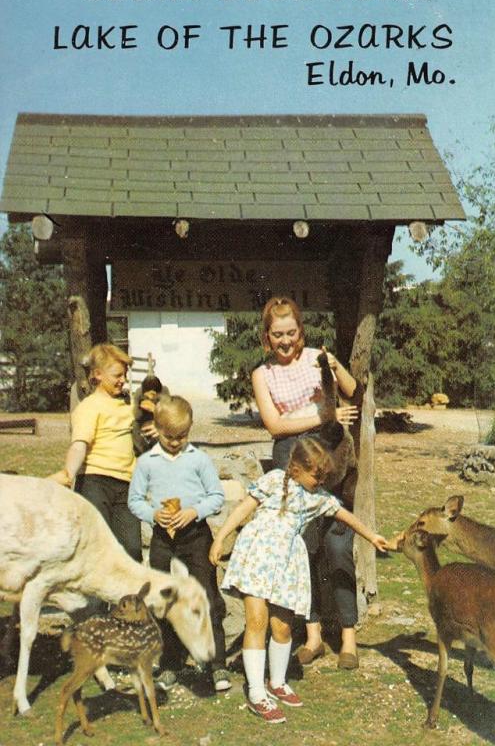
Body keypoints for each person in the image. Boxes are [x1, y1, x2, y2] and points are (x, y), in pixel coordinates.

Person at [209, 437, 387, 724]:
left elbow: (345, 516)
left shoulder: (317, 498)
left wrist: (371, 536)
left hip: (287, 566)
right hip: (257, 557)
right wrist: (221, 536)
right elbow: (244, 507)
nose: (320, 482)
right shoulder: (273, 479)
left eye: (323, 477)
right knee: (256, 621)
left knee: (282, 627)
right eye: (316, 476)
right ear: (296, 468)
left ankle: (276, 682)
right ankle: (256, 692)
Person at [251, 297, 361, 669]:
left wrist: (334, 366)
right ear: (267, 336)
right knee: (304, 545)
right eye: (277, 335)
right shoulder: (262, 373)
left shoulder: (317, 357)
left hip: (329, 458)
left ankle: (348, 636)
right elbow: (275, 425)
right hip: (292, 461)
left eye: (291, 333)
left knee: (337, 542)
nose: (285, 341)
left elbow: (351, 389)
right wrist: (320, 413)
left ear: (301, 331)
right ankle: (313, 635)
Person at [128, 395, 231, 693]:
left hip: (196, 536)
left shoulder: (198, 459)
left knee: (207, 598)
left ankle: (217, 663)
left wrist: (194, 511)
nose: (175, 442)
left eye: (182, 436)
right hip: (164, 538)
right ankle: (171, 664)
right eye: (169, 436)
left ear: (190, 429)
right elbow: (135, 500)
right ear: (156, 429)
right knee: (164, 602)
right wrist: (153, 515)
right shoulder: (146, 462)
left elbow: (216, 496)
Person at [52, 343, 142, 562]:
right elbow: (79, 444)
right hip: (95, 482)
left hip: (126, 483)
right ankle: (97, 597)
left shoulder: (127, 405)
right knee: (98, 546)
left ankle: (127, 596)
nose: (123, 379)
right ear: (98, 375)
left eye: (125, 374)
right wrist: (68, 473)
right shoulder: (89, 407)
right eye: (117, 375)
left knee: (131, 548)